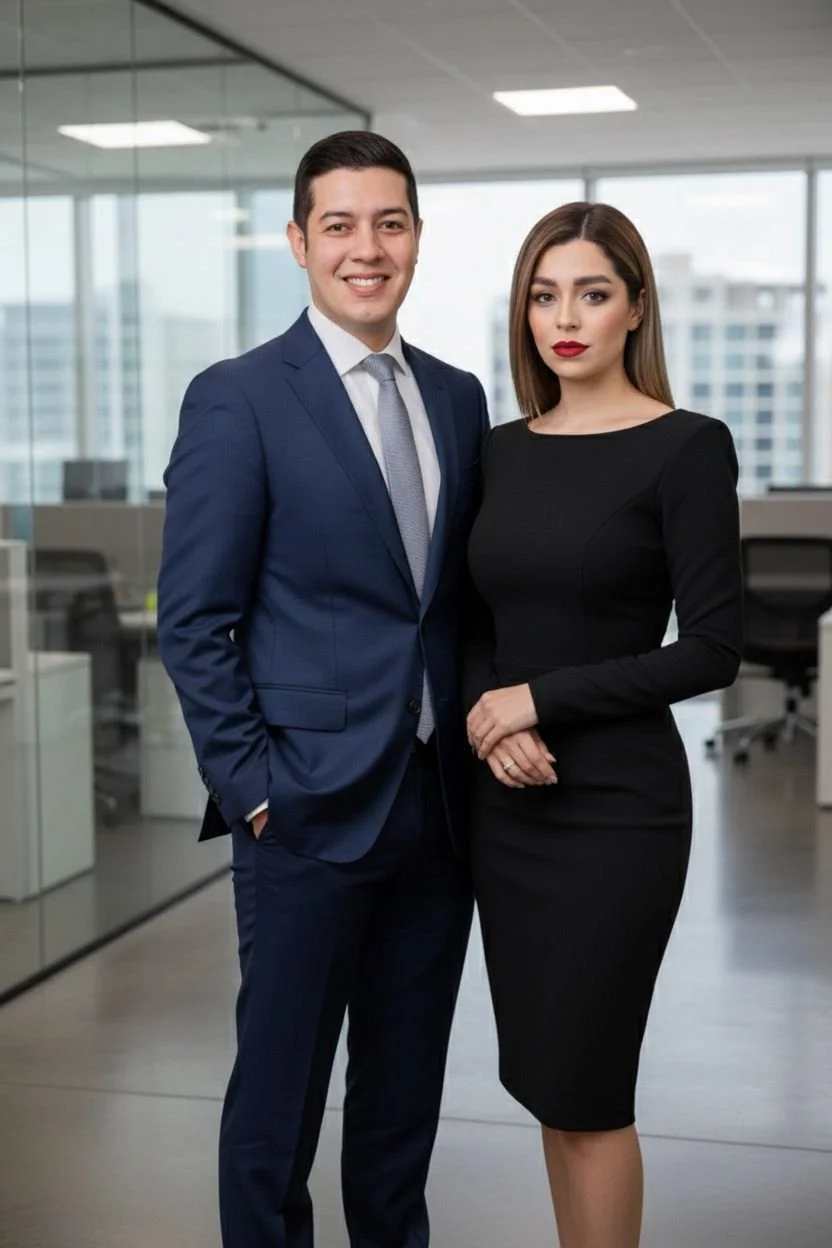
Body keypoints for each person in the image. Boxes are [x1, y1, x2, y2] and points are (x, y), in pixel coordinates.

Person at [157, 131, 493, 1248]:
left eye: (388, 223)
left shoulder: (455, 398)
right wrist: (254, 789)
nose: (366, 248)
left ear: (415, 239)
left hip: (436, 814)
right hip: (301, 812)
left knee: (401, 1108)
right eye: (339, 225)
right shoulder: (239, 397)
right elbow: (195, 621)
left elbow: (448, 605)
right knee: (280, 1105)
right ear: (299, 243)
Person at [464, 202, 743, 1248]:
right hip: (508, 809)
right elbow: (464, 625)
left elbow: (713, 647)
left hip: (617, 811)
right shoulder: (494, 450)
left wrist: (538, 701)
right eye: (543, 295)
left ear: (635, 308)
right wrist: (487, 721)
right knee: (548, 1081)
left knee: (592, 1084)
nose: (563, 317)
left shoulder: (684, 448)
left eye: (591, 293)